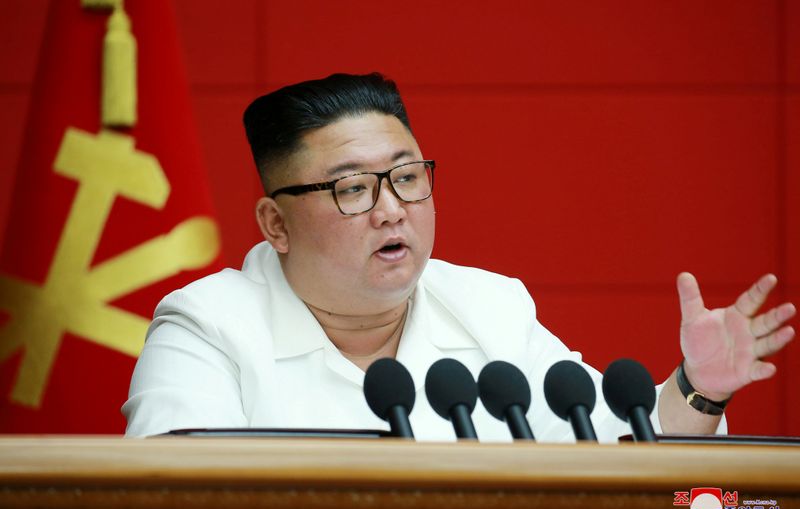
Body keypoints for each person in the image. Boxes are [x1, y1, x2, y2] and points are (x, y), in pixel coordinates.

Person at [122, 73, 796, 441]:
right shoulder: (206, 325)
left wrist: (697, 385)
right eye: (353, 188)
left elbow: (624, 453)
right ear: (276, 223)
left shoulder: (490, 306)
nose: (392, 208)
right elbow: (170, 498)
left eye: (407, 177)